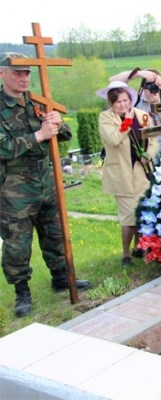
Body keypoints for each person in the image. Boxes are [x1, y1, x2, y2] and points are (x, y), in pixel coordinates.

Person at [0, 52, 91, 318]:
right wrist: (39, 135)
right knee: (17, 241)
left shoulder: (38, 102)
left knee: (54, 231)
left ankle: (61, 276)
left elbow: (63, 135)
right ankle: (21, 290)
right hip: (15, 185)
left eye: (27, 72)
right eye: (18, 72)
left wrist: (57, 125)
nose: (24, 77)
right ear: (2, 73)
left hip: (46, 179)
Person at [96, 80, 158, 266]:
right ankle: (125, 254)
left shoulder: (143, 115)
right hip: (121, 173)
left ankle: (139, 246)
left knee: (142, 212)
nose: (123, 105)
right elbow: (114, 139)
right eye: (118, 102)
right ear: (111, 104)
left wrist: (148, 154)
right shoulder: (105, 118)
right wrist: (128, 121)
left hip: (141, 171)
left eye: (125, 100)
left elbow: (153, 140)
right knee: (128, 217)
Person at [110, 67, 161, 152]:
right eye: (154, 85)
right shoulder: (135, 102)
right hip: (144, 154)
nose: (158, 89)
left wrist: (158, 104)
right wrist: (137, 73)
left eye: (160, 85)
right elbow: (113, 82)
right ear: (144, 86)